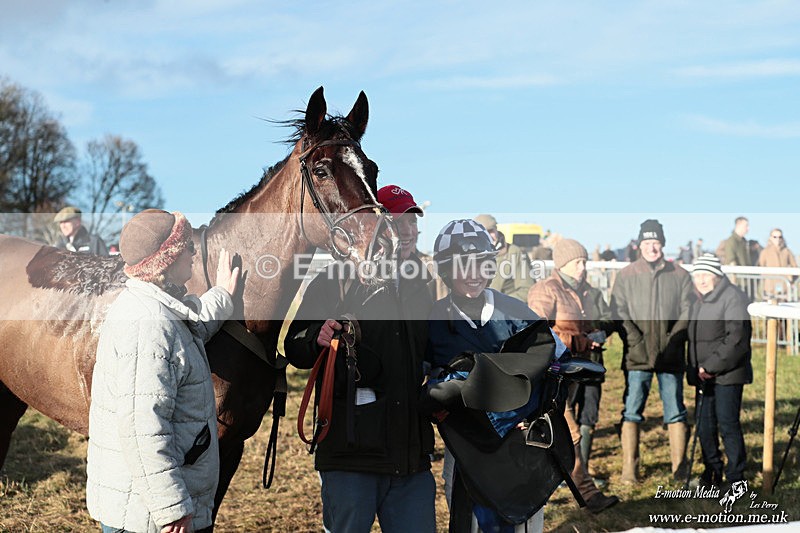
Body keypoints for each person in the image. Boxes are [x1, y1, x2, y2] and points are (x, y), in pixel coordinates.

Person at [284, 187, 436, 533]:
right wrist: (315, 337)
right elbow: (294, 346)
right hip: (351, 457)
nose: (409, 232)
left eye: (413, 223)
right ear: (374, 227)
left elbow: (432, 352)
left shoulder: (420, 285)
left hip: (410, 456)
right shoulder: (333, 281)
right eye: (399, 222)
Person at [86, 209, 240, 533]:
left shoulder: (154, 306)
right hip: (152, 519)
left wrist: (223, 295)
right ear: (166, 260)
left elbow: (190, 324)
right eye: (186, 246)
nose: (193, 252)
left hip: (148, 510)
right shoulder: (148, 325)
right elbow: (143, 428)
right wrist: (171, 508)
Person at [426, 219, 568, 532]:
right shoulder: (431, 320)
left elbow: (555, 360)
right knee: (470, 520)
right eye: (462, 266)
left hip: (519, 442)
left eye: (480, 264)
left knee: (520, 520)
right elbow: (422, 379)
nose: (473, 275)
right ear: (446, 271)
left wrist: (534, 410)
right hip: (465, 445)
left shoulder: (516, 312)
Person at [527, 239, 619, 514]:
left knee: (565, 434)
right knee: (569, 433)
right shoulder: (546, 290)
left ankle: (579, 493)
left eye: (584, 262)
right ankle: (587, 495)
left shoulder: (586, 291)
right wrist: (579, 341)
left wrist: (594, 336)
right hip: (550, 375)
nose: (583, 267)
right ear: (563, 264)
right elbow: (537, 333)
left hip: (577, 370)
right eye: (578, 262)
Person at [610, 219, 693, 484]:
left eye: (656, 243)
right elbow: (618, 310)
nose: (652, 248)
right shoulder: (626, 275)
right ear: (639, 245)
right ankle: (629, 472)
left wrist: (673, 339)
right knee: (632, 410)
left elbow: (687, 310)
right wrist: (635, 339)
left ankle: (679, 471)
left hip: (670, 355)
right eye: (647, 243)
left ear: (663, 244)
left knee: (675, 411)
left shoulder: (679, 274)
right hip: (638, 355)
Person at [687, 254, 752, 487]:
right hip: (704, 374)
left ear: (717, 276)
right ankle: (712, 472)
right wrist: (696, 369)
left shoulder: (732, 297)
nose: (701, 280)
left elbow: (736, 339)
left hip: (727, 374)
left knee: (727, 425)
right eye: (697, 276)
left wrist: (711, 366)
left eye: (706, 275)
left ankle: (736, 478)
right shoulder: (698, 300)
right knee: (704, 426)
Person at [473, 214, 533, 302]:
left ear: (496, 230)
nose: (488, 236)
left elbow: (527, 290)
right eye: (482, 232)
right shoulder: (469, 257)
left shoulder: (514, 252)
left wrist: (499, 302)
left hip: (504, 310)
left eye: (490, 231)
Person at [757, 229, 798, 300]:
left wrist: (792, 280)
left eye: (780, 237)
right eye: (775, 237)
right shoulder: (765, 252)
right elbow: (760, 267)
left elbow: (795, 267)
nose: (777, 239)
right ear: (770, 238)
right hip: (770, 289)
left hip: (784, 288)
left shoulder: (787, 251)